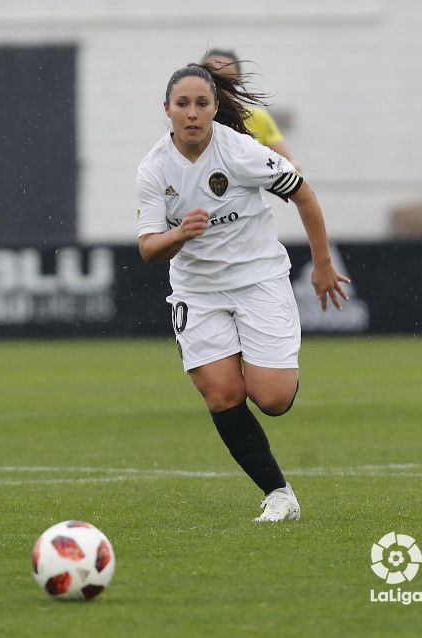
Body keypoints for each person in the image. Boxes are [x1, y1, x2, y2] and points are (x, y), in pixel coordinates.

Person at [136, 63, 349, 522]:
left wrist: (323, 265)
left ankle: (275, 369)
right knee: (222, 394)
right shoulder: (154, 169)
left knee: (272, 398)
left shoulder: (242, 152)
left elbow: (303, 193)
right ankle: (279, 494)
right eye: (182, 104)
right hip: (198, 292)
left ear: (214, 109)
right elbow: (149, 248)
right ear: (167, 109)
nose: (192, 113)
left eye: (201, 103)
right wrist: (179, 236)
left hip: (258, 281)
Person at [201, 49, 299, 168]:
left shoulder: (257, 117)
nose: (220, 85)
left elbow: (290, 166)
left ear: (239, 80)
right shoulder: (193, 118)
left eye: (227, 78)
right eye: (214, 78)